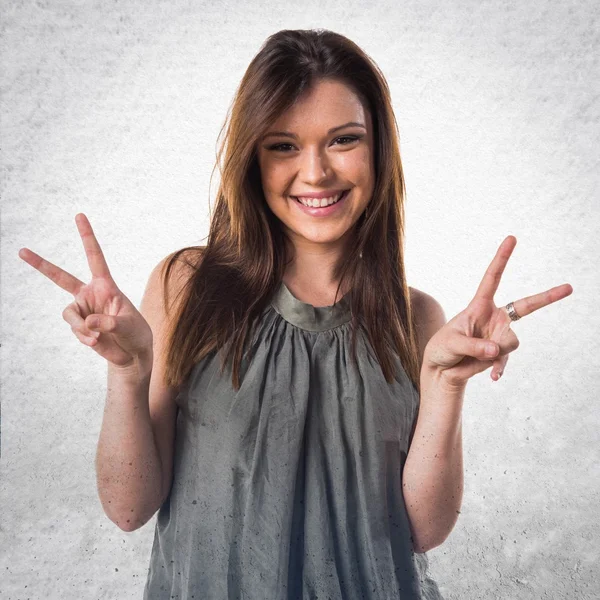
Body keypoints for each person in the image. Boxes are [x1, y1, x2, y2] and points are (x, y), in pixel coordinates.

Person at [18, 28, 573, 600]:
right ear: (252, 159)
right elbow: (128, 509)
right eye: (283, 145)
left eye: (343, 140)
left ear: (379, 148)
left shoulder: (417, 318)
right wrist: (128, 374)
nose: (315, 173)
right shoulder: (186, 286)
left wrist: (446, 383)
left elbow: (422, 534)